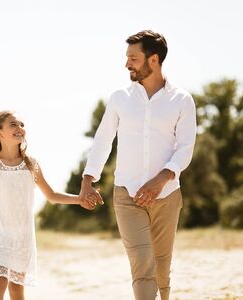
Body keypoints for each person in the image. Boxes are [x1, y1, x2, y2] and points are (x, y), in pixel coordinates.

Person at [79, 30, 196, 300]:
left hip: (167, 196)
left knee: (162, 267)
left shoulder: (181, 100)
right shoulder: (120, 98)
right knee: (143, 264)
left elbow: (185, 148)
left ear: (153, 60)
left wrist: (161, 179)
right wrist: (88, 180)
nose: (127, 64)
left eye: (133, 58)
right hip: (127, 195)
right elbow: (102, 141)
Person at [0, 111, 95, 300]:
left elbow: (52, 195)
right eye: (13, 124)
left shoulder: (31, 164)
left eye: (22, 124)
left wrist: (79, 199)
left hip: (22, 234)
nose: (20, 128)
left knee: (16, 288)